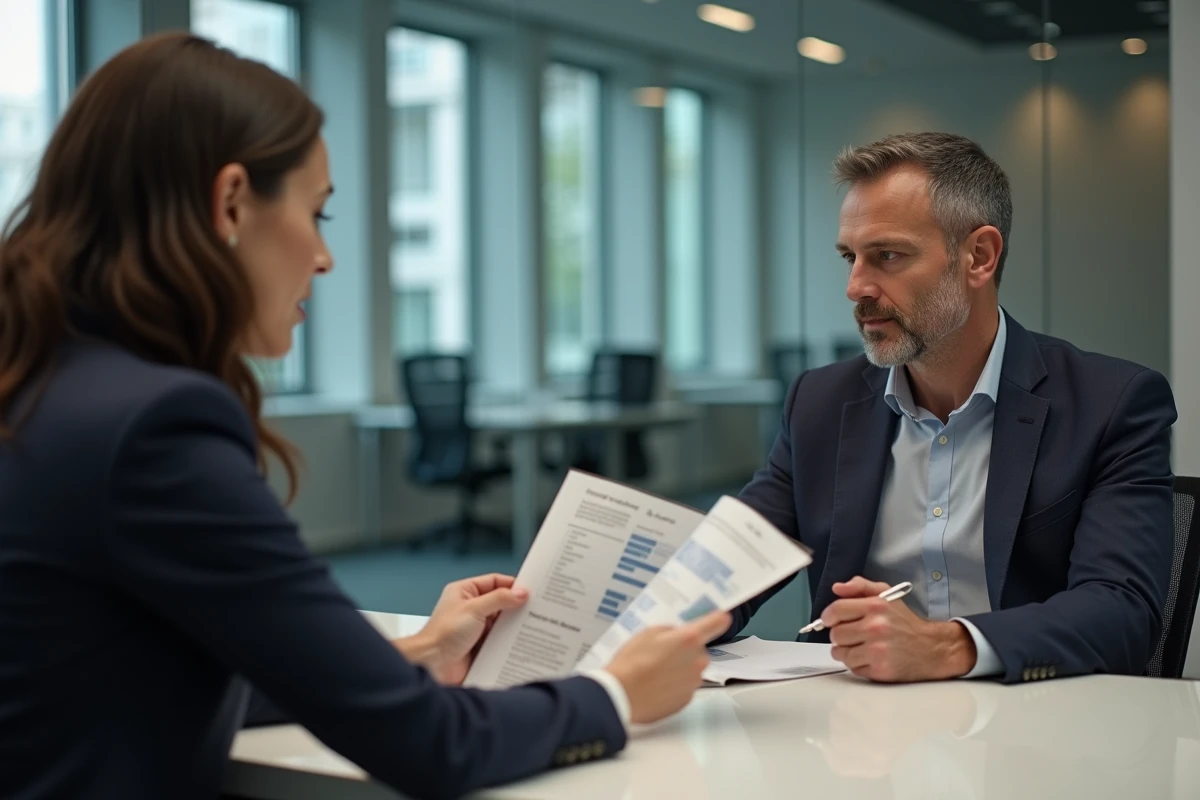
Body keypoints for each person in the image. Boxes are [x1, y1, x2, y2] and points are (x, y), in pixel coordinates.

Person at [0, 32, 730, 800]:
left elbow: (145, 668)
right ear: (231, 202)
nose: (324, 257)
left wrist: (411, 658)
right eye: (318, 214)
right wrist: (615, 693)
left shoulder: (43, 383)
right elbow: (432, 747)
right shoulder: (155, 426)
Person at [729, 132, 1176, 684]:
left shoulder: (1111, 404)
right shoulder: (819, 403)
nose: (855, 287)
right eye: (850, 257)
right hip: (858, 735)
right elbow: (727, 573)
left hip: (1037, 729)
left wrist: (946, 646)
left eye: (887, 255)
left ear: (979, 257)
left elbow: (1122, 613)